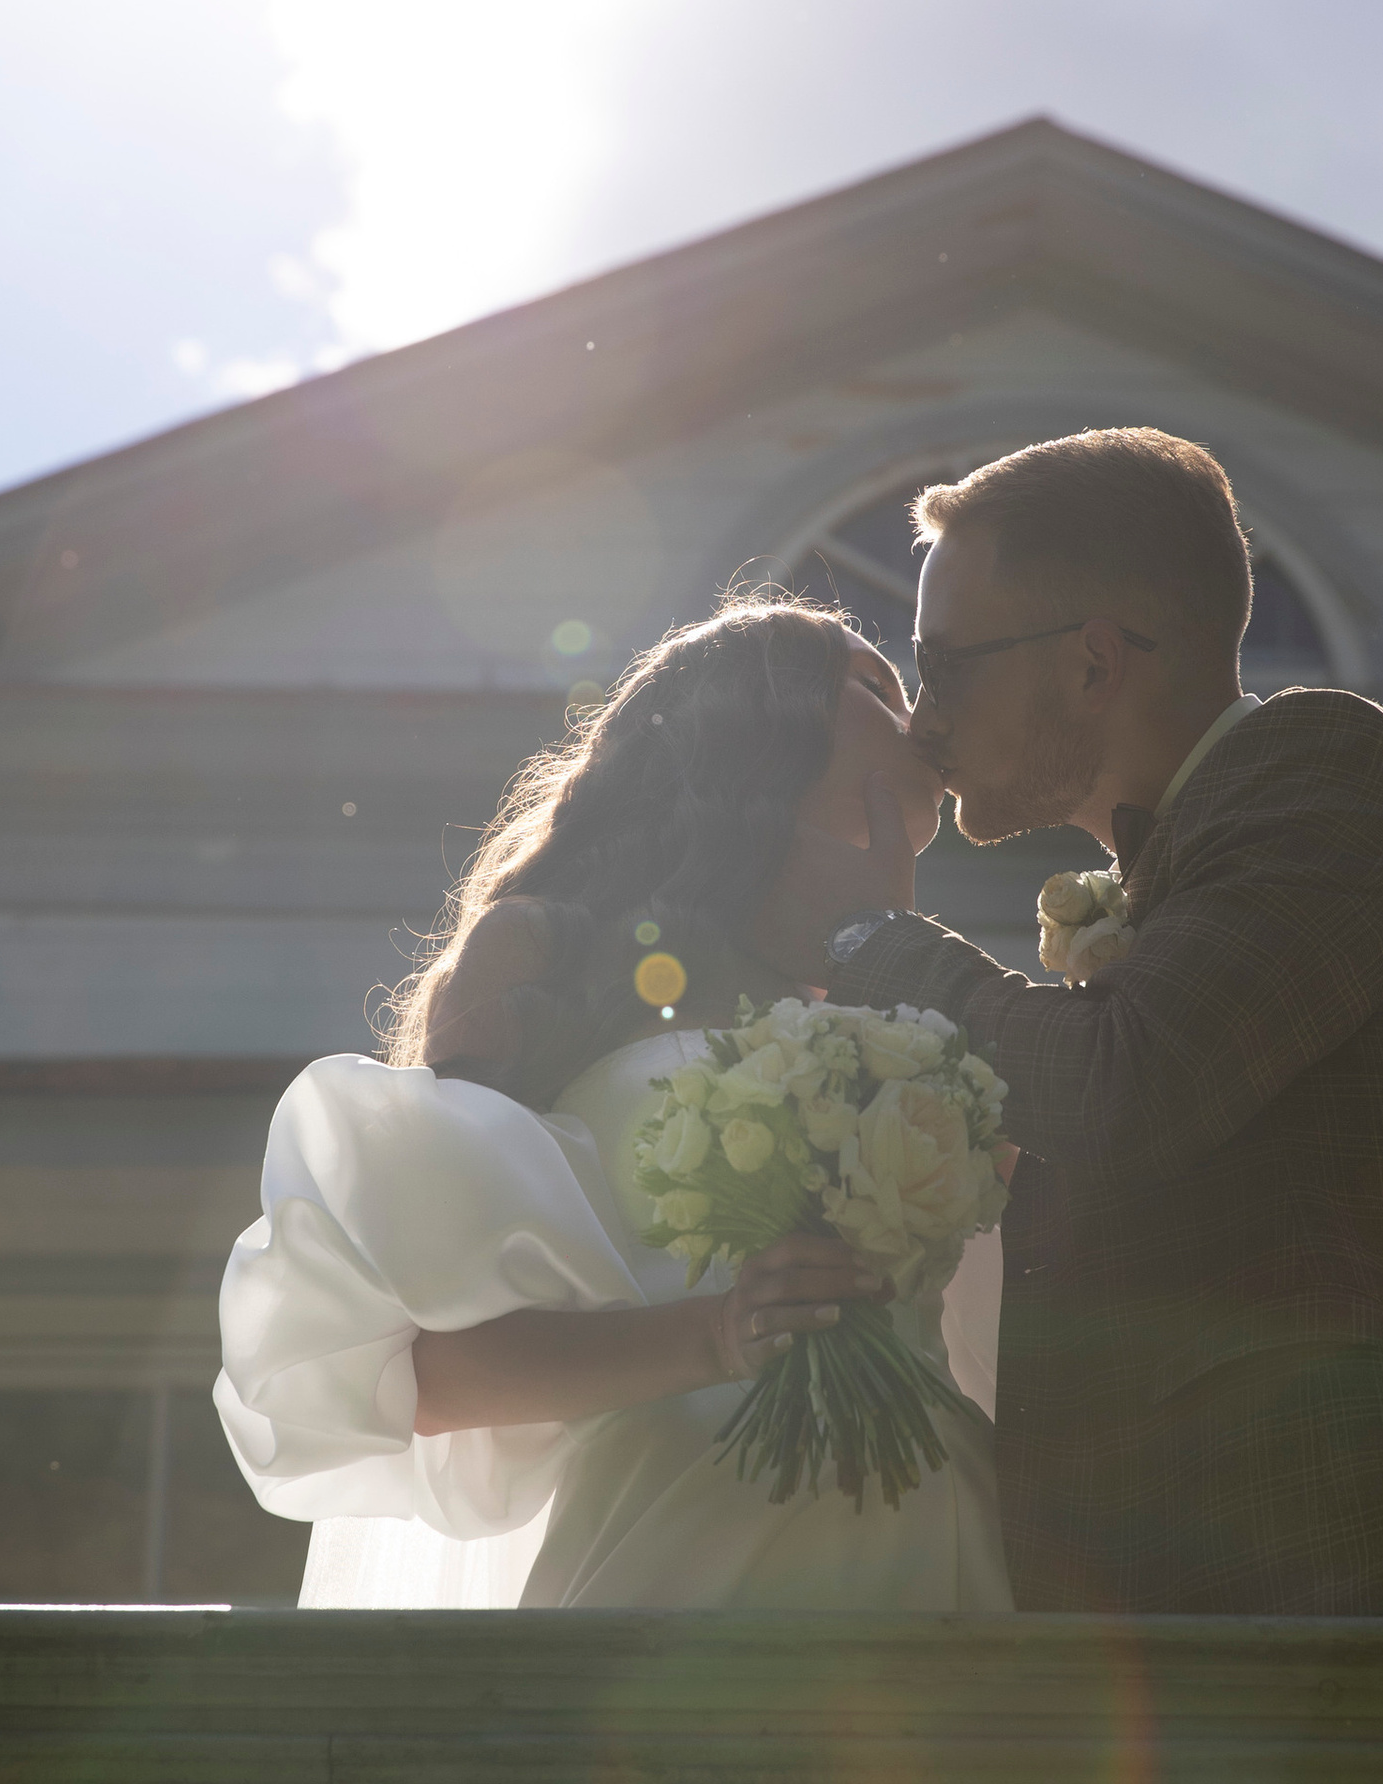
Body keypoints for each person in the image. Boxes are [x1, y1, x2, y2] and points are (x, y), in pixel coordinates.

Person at [762, 426, 1383, 1618]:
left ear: (1092, 664)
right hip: (1214, 1614)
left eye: (945, 665)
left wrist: (877, 947)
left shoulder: (1324, 767)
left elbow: (1129, 1086)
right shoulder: (1195, 860)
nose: (922, 722)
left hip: (1344, 1591)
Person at [213, 598, 1013, 1610]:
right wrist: (718, 1335)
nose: (922, 716)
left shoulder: (916, 1006)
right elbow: (419, 1376)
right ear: (761, 717)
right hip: (692, 1554)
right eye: (876, 684)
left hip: (935, 1549)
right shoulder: (554, 954)